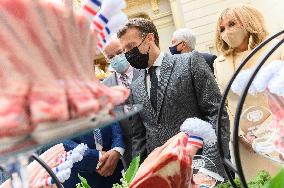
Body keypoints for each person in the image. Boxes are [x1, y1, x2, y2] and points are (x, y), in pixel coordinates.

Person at [117, 18, 230, 178]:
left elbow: (217, 114)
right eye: (124, 50)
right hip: (163, 176)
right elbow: (139, 137)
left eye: (131, 46)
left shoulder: (189, 62)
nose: (128, 53)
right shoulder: (135, 85)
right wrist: (138, 176)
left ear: (150, 38)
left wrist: (210, 167)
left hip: (201, 168)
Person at [214, 4, 284, 180]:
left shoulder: (275, 49)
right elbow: (224, 104)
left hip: (274, 138)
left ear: (249, 22)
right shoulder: (219, 63)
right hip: (242, 144)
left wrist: (259, 135)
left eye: (232, 24)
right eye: (222, 28)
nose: (226, 32)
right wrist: (237, 133)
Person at [102, 37, 143, 168]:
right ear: (107, 60)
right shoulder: (105, 86)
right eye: (111, 57)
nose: (117, 58)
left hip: (153, 140)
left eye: (119, 52)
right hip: (128, 148)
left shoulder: (144, 71)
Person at [62, 122, 125, 188]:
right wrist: (98, 157)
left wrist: (117, 148)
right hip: (80, 175)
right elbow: (61, 142)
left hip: (115, 169)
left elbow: (114, 116)